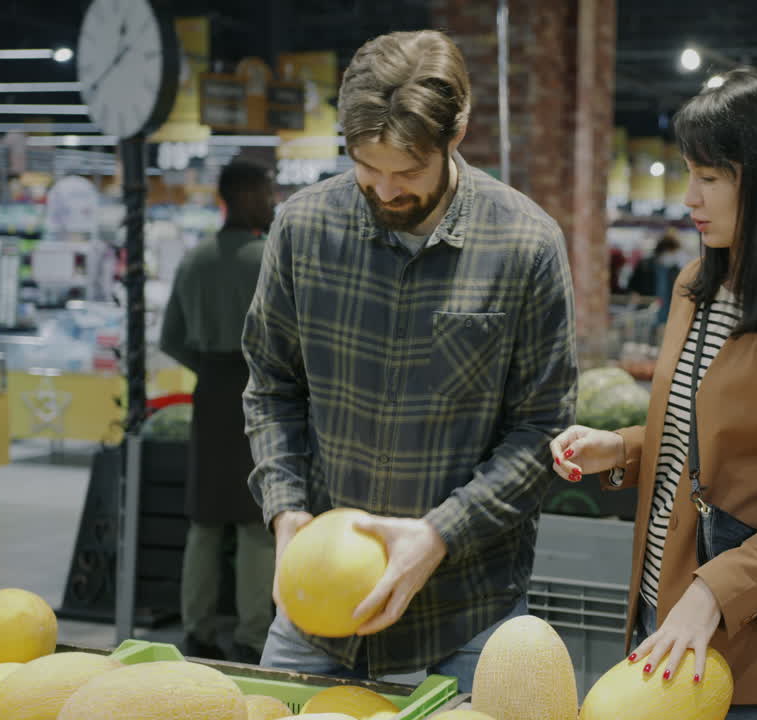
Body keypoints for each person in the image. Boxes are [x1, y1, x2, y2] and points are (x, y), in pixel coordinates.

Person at [241, 30, 577, 691]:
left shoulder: (525, 245)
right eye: (368, 168)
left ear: (458, 133)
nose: (386, 190)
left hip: (467, 607)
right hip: (318, 604)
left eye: (409, 173)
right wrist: (286, 510)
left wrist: (441, 532)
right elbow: (272, 387)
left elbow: (541, 431)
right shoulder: (303, 228)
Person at [550, 67, 757, 717]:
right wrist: (623, 447)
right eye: (688, 173)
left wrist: (713, 591)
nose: (689, 196)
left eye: (711, 178)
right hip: (661, 617)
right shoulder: (697, 286)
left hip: (748, 645)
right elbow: (708, 437)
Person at [160, 160, 277, 663]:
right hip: (261, 394)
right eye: (266, 192)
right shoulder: (267, 258)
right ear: (247, 196)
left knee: (204, 521)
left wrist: (209, 365)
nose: (272, 201)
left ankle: (197, 631)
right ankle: (252, 636)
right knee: (256, 521)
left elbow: (170, 338)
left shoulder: (194, 260)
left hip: (209, 393)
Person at [628, 231, 684, 325]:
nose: (673, 255)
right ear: (664, 249)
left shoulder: (675, 269)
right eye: (671, 251)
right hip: (646, 312)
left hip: (668, 315)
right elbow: (632, 285)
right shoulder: (645, 265)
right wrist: (635, 295)